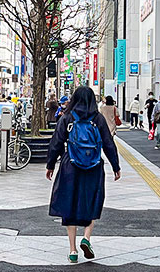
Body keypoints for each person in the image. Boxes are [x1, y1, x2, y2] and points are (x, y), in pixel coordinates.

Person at [46, 86, 121, 263]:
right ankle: (86, 238)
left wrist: (50, 164)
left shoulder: (68, 117)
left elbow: (56, 142)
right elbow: (108, 144)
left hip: (70, 167)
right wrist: (115, 166)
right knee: (91, 201)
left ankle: (72, 250)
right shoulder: (98, 118)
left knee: (69, 203)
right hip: (93, 166)